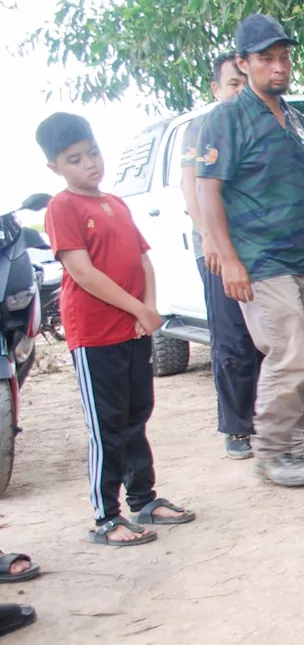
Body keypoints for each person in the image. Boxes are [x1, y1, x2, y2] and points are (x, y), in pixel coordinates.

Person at [196, 14, 304, 487]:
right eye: (266, 59)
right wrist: (229, 259)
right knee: (287, 351)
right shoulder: (226, 118)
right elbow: (208, 192)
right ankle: (271, 451)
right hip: (258, 260)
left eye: (284, 58)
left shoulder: (294, 119)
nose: (278, 67)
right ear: (243, 63)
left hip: (299, 256)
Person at [37, 112, 197, 544]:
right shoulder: (62, 207)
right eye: (75, 159)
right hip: (95, 334)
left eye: (93, 153)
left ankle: (143, 499)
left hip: (132, 330)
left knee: (136, 416)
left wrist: (148, 307)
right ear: (55, 167)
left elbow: (143, 259)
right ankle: (105, 517)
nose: (90, 164)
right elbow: (83, 273)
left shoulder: (114, 202)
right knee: (106, 424)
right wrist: (137, 310)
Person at [180, 52, 258, 460]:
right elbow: (191, 184)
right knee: (232, 338)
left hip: (261, 247)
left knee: (272, 336)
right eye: (234, 84)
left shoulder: (266, 122)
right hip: (218, 247)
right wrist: (210, 238)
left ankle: (271, 420)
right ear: (216, 89)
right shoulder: (203, 126)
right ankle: (237, 429)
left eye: (248, 81)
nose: (243, 90)